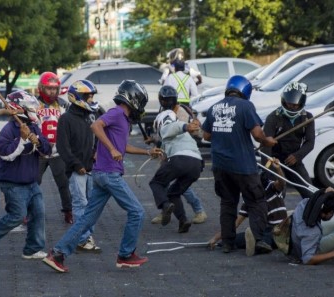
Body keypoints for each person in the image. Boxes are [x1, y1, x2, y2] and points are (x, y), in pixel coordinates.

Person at [43, 80, 162, 273]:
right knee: (137, 212)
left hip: (101, 174)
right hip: (108, 174)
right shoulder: (116, 112)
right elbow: (96, 127)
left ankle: (57, 254)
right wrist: (111, 148)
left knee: (86, 219)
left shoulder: (123, 119)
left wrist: (148, 152)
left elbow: (124, 148)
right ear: (133, 98)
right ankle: (125, 255)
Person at [202, 75, 277, 254]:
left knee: (228, 203)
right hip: (243, 165)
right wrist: (268, 142)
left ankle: (227, 243)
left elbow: (205, 136)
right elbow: (258, 134)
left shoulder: (214, 108)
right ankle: (259, 240)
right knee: (256, 201)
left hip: (220, 166)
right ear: (245, 91)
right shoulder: (245, 106)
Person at [0, 91, 52, 259]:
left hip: (31, 182)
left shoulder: (33, 127)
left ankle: (32, 249)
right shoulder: (9, 130)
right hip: (13, 183)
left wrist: (38, 141)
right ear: (19, 109)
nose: (34, 110)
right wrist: (22, 139)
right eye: (30, 107)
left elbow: (47, 150)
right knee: (18, 215)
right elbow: (5, 154)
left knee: (38, 213)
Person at [148, 86, 207, 226]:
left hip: (179, 156)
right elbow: (166, 136)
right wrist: (154, 140)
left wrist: (185, 127)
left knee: (158, 184)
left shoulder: (175, 114)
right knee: (173, 191)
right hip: (195, 161)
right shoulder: (166, 113)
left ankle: (196, 210)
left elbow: (170, 128)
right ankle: (182, 221)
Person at [56, 79, 102, 253]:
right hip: (77, 170)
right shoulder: (66, 119)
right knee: (80, 203)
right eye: (87, 96)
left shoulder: (91, 116)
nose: (91, 99)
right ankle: (83, 238)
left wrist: (96, 152)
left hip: (91, 168)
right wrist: (76, 164)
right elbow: (63, 147)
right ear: (77, 96)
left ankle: (87, 235)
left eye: (91, 96)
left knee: (91, 204)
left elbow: (98, 138)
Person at [208, 158, 287, 256]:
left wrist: (278, 169)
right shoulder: (249, 196)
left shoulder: (271, 187)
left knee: (267, 237)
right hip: (264, 230)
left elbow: (282, 183)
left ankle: (262, 244)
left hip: (279, 228)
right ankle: (255, 243)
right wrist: (216, 238)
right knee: (233, 240)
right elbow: (236, 223)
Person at [262, 81, 314, 199]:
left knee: (310, 194)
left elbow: (310, 143)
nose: (292, 107)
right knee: (278, 195)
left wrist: (297, 156)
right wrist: (268, 169)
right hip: (275, 162)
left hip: (294, 160)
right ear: (283, 101)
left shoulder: (308, 118)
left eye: (295, 105)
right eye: (289, 104)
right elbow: (266, 146)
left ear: (301, 103)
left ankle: (309, 217)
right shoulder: (273, 117)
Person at [36, 72, 73, 224]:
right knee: (32, 183)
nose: (52, 92)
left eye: (54, 89)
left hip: (57, 151)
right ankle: (28, 211)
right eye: (48, 88)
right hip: (38, 151)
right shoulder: (33, 104)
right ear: (41, 88)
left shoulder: (63, 104)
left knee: (63, 184)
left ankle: (68, 211)